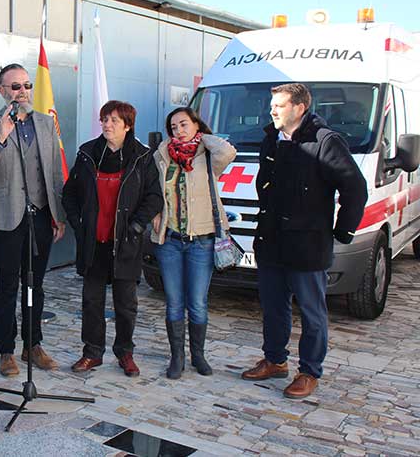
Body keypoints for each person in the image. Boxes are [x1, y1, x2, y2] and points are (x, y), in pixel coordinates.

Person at [242, 83, 367, 399]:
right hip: (271, 241)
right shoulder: (271, 138)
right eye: (272, 105)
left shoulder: (325, 141)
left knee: (312, 313)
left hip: (307, 245)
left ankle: (309, 372)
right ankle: (275, 360)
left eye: (279, 105)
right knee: (273, 308)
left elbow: (355, 188)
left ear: (299, 108)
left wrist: (342, 231)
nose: (272, 111)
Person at [0, 63, 66, 377]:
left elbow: (54, 172)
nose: (23, 92)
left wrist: (58, 216)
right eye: (15, 87)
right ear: (2, 90)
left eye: (27, 85)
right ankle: (6, 351)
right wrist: (2, 136)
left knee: (35, 285)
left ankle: (33, 344)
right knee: (7, 286)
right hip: (7, 217)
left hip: (40, 216)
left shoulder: (45, 123)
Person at [62, 101, 162, 377]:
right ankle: (92, 353)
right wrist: (78, 223)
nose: (107, 125)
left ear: (127, 126)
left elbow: (154, 197)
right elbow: (69, 193)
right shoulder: (87, 153)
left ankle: (125, 353)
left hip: (125, 243)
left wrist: (137, 226)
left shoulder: (142, 157)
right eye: (104, 119)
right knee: (92, 302)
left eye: (114, 120)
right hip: (94, 243)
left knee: (126, 305)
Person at [151, 107, 236, 379]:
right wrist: (155, 214)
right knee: (174, 302)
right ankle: (177, 357)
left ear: (196, 124)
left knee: (197, 302)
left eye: (184, 124)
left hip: (202, 241)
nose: (178, 130)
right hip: (170, 240)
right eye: (173, 127)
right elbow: (152, 191)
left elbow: (228, 151)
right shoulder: (163, 156)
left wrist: (201, 136)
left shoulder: (208, 155)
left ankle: (198, 355)